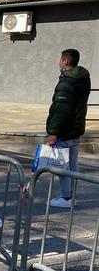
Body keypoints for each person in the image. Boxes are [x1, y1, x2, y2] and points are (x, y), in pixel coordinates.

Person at [45, 48, 91, 208]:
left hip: (65, 131)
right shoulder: (83, 79)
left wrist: (53, 133)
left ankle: (66, 198)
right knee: (73, 164)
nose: (59, 62)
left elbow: (61, 110)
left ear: (65, 61)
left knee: (63, 165)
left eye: (60, 59)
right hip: (76, 129)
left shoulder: (66, 83)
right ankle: (71, 195)